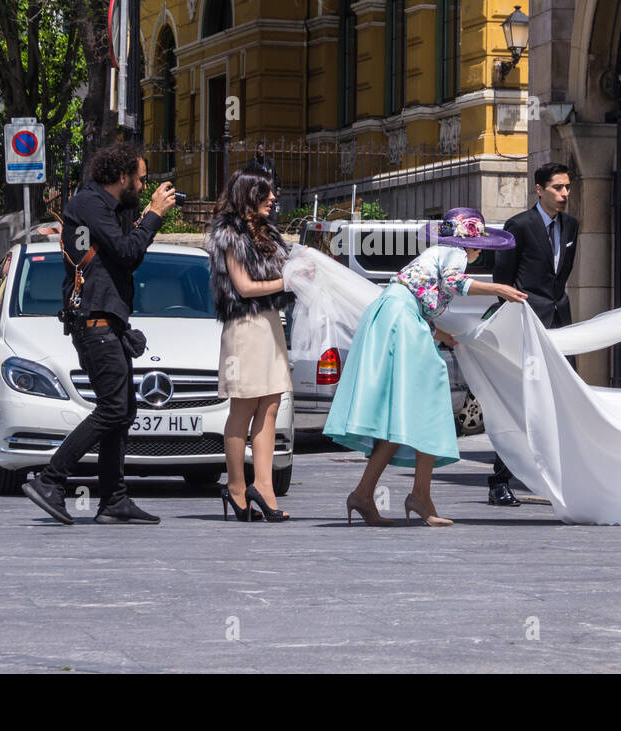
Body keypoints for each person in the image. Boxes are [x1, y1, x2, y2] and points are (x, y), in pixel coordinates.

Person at [329, 207, 526, 527]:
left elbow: (418, 296)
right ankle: (409, 495)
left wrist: (440, 334)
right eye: (480, 245)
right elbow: (453, 284)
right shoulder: (454, 253)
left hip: (397, 315)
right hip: (400, 318)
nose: (479, 251)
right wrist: (498, 289)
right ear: (472, 244)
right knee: (425, 399)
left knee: (408, 411)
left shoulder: (439, 251)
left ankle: (378, 493)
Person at [21, 143, 176, 525]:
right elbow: (127, 252)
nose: (143, 185)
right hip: (95, 324)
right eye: (140, 178)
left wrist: (144, 213)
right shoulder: (88, 205)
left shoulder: (108, 208)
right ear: (122, 177)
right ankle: (50, 480)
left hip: (110, 323)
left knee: (123, 412)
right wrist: (153, 215)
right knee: (112, 409)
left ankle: (113, 499)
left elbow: (124, 248)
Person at [205, 168, 295, 523]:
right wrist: (286, 281)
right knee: (243, 409)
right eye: (266, 193)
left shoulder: (268, 233)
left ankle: (264, 486)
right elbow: (243, 288)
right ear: (248, 196)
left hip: (269, 324)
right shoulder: (228, 234)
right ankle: (237, 487)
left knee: (271, 405)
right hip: (244, 326)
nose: (273, 199)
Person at [488, 162, 577, 506]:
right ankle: (499, 480)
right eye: (557, 187)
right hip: (526, 323)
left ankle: (553, 477)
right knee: (522, 402)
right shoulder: (520, 226)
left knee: (558, 400)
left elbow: (560, 278)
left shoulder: (571, 226)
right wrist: (516, 317)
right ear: (539, 190)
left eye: (567, 187)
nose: (564, 194)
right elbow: (503, 279)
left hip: (559, 322)